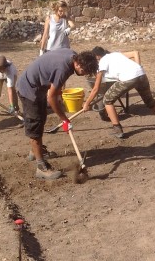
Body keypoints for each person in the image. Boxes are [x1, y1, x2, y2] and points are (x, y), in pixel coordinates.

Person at [16, 48, 99, 180]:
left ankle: (35, 151)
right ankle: (41, 168)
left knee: (41, 118)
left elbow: (53, 79)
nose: (83, 75)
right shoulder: (63, 69)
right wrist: (64, 119)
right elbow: (51, 98)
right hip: (29, 90)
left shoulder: (71, 54)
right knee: (35, 125)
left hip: (38, 86)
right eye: (83, 71)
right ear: (77, 64)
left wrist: (59, 94)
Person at [84, 47, 155, 139]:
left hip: (128, 78)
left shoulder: (102, 61)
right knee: (149, 100)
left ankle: (117, 129)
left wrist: (87, 103)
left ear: (97, 56)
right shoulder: (115, 54)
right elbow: (133, 55)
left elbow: (96, 88)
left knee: (107, 100)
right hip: (141, 74)